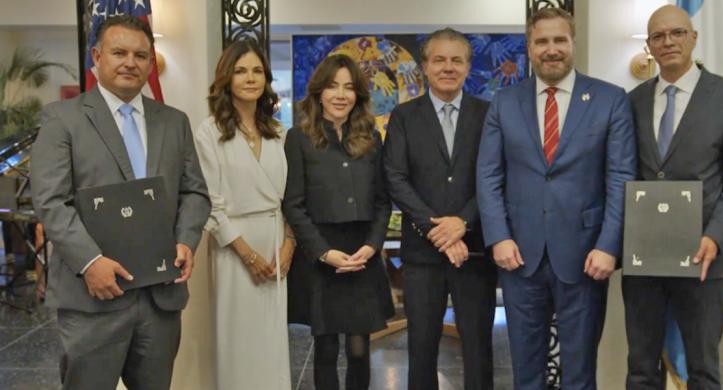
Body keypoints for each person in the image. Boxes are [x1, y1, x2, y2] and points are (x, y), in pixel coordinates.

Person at [30, 15, 210, 390]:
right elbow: (50, 201)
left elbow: (195, 192)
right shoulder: (62, 119)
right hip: (92, 300)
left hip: (160, 299)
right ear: (97, 56)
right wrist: (90, 262)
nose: (131, 62)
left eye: (140, 55)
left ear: (150, 62)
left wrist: (185, 240)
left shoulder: (174, 122)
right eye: (120, 52)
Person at [477, 8, 637, 389]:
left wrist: (608, 245)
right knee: (526, 368)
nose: (552, 49)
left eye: (559, 40)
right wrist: (498, 236)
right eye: (542, 41)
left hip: (586, 256)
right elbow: (488, 174)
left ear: (573, 43)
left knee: (580, 370)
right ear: (529, 48)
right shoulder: (504, 101)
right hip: (518, 255)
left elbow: (620, 177)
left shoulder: (609, 100)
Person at [623, 5, 723, 390]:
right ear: (649, 45)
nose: (668, 42)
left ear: (694, 38)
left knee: (702, 370)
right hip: (644, 260)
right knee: (641, 369)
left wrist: (714, 236)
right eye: (658, 36)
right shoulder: (632, 102)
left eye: (677, 33)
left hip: (703, 259)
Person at [383, 27, 497, 390]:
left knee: (479, 348)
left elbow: (496, 176)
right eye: (439, 60)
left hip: (475, 251)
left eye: (456, 60)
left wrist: (463, 222)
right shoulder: (404, 116)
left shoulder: (489, 114)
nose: (448, 67)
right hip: (422, 255)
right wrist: (442, 232)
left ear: (467, 66)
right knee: (421, 347)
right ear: (425, 67)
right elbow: (395, 178)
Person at [282, 54, 393, 390]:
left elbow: (382, 201)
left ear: (358, 94)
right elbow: (293, 204)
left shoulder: (371, 138)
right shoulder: (299, 138)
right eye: (332, 86)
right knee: (326, 347)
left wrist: (372, 246)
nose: (340, 95)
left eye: (348, 87)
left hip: (362, 253)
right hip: (321, 255)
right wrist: (323, 252)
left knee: (359, 349)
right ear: (318, 92)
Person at [194, 40, 294, 390]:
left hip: (275, 241)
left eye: (256, 71)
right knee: (237, 339)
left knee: (271, 340)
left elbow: (292, 198)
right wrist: (247, 254)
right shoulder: (209, 132)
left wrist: (288, 245)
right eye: (240, 71)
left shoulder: (280, 132)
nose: (250, 78)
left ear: (266, 79)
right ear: (226, 78)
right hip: (233, 246)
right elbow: (210, 202)